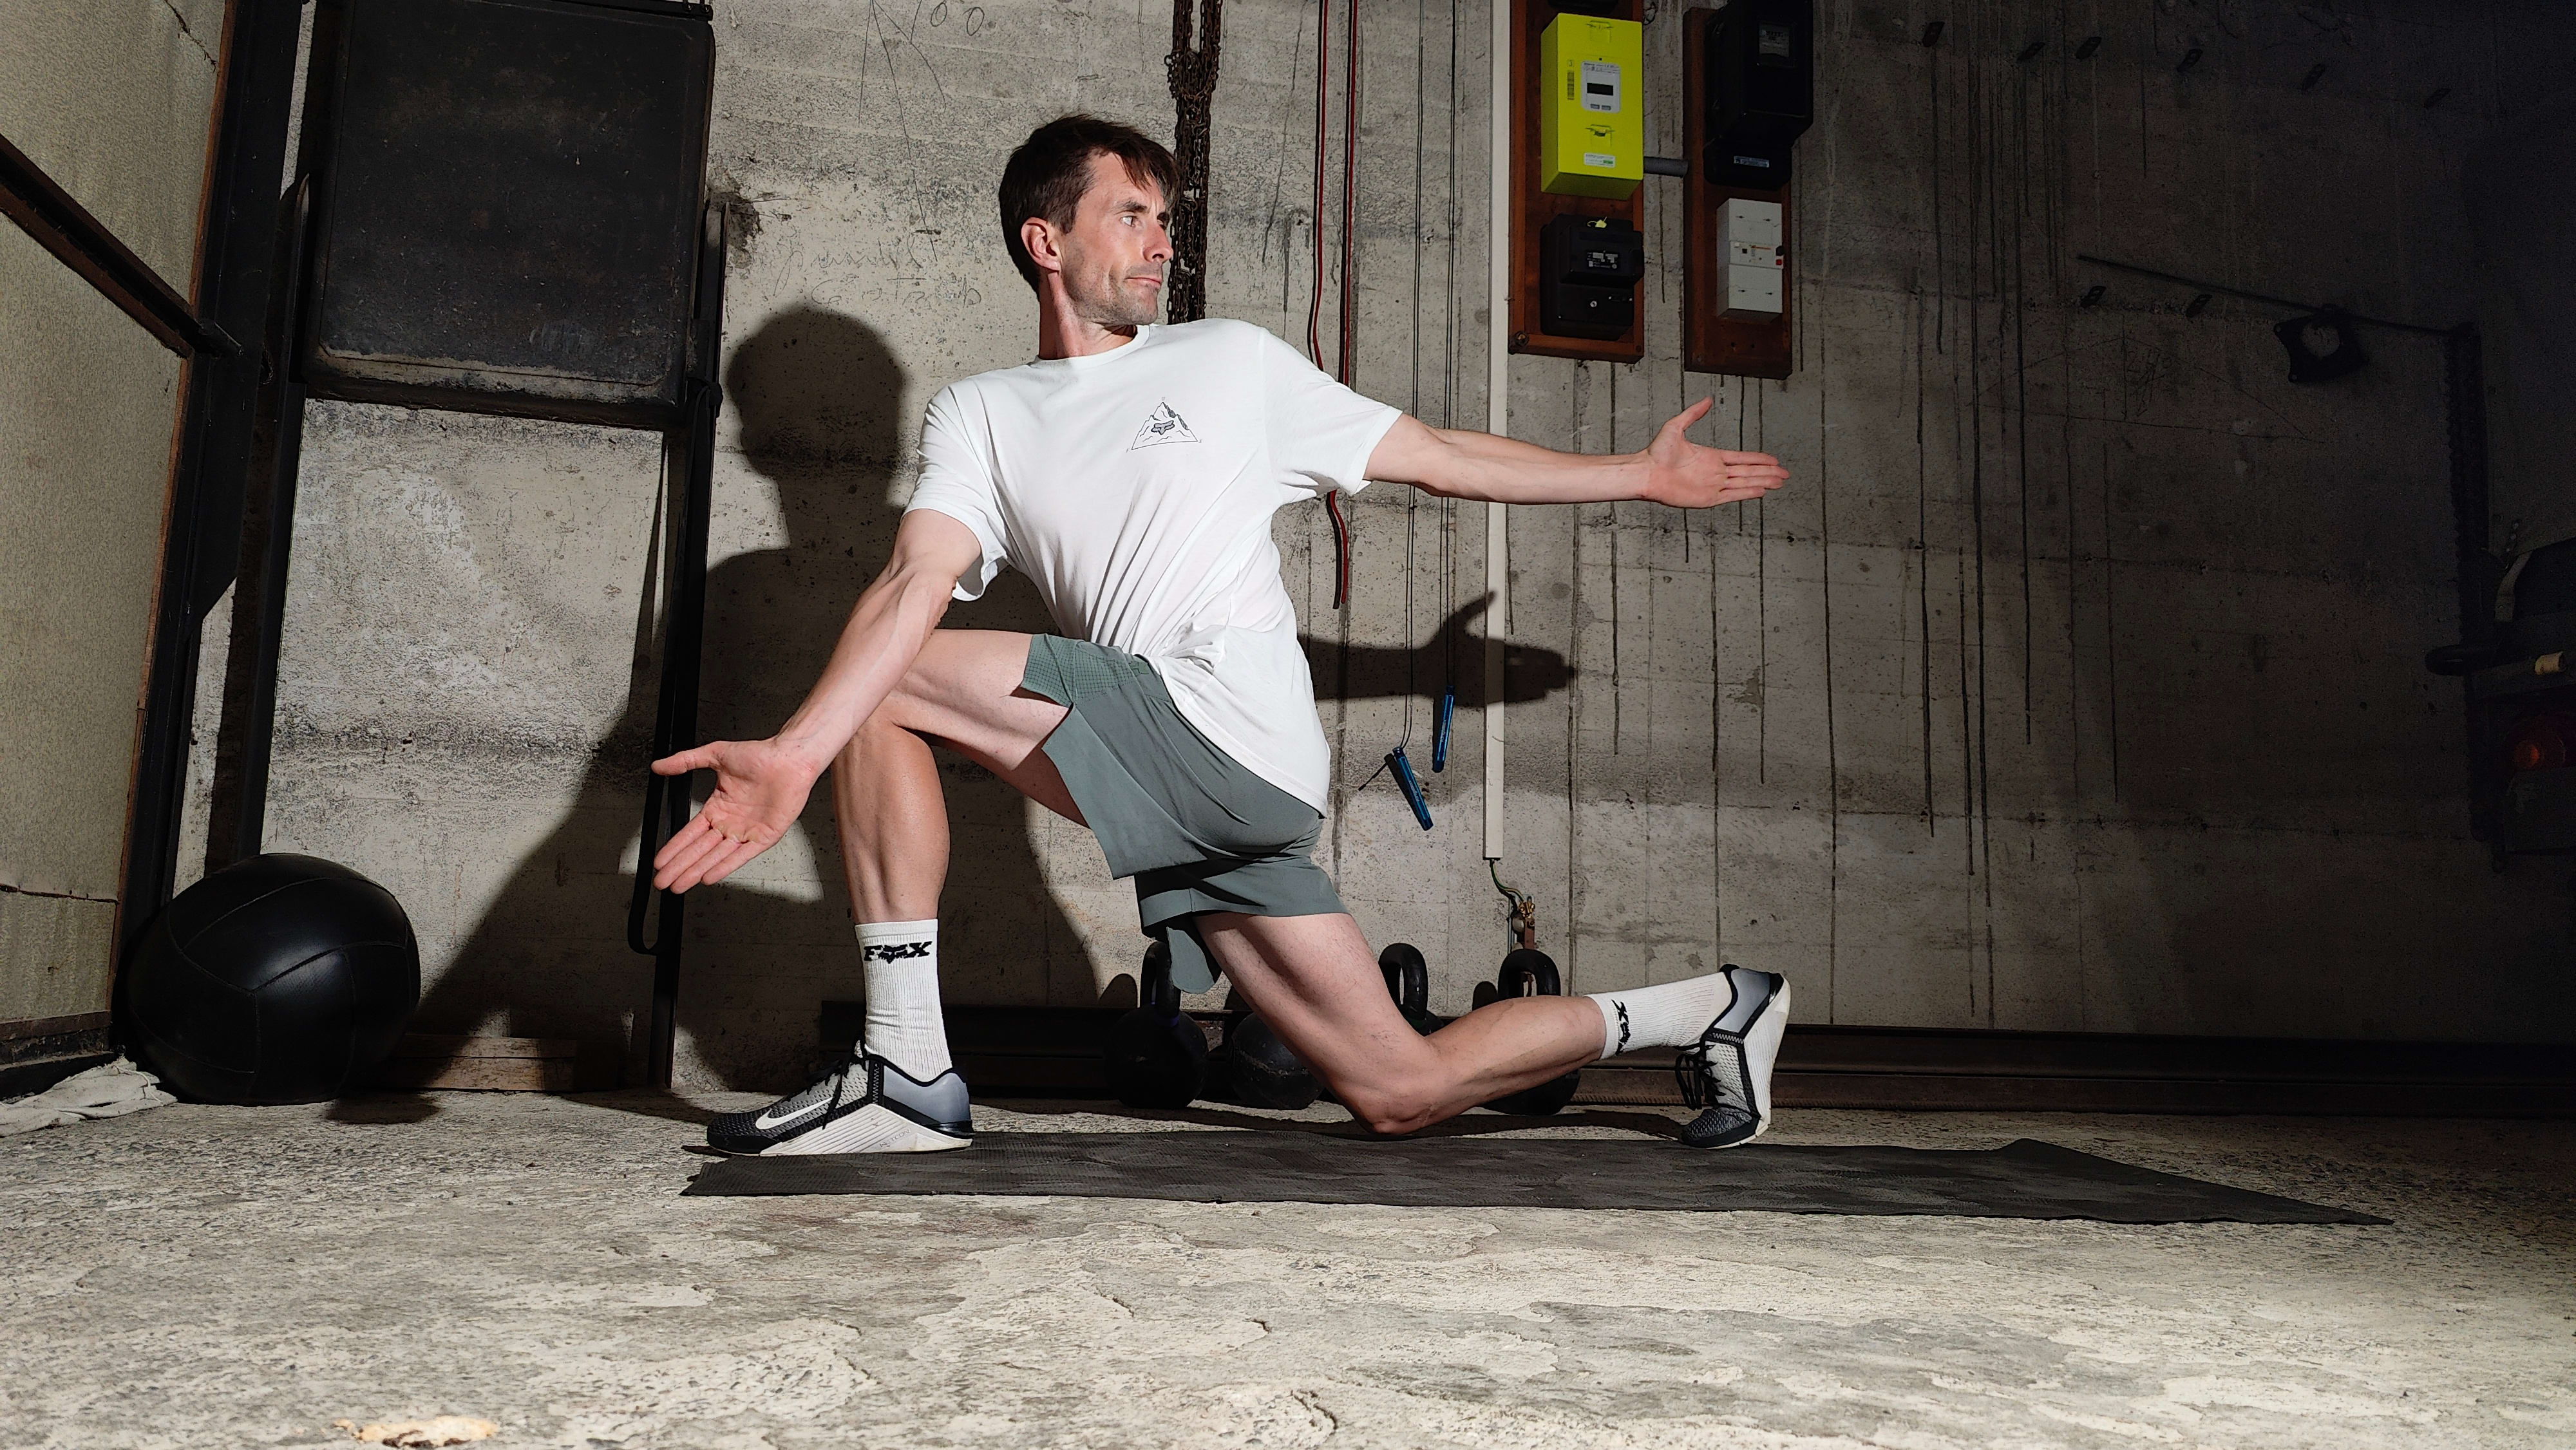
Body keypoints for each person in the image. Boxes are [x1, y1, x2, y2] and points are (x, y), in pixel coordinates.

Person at [649, 115, 1794, 1156]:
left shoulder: (1230, 363)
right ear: (1045, 242)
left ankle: (905, 1068)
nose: (1162, 244)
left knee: (881, 684)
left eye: (1165, 220)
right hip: (1193, 777)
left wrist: (1638, 474)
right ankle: (1717, 1008)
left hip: (1222, 727)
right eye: (1131, 217)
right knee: (1402, 1088)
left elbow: (1441, 456)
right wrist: (802, 750)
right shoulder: (982, 414)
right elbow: (916, 577)